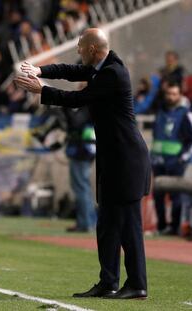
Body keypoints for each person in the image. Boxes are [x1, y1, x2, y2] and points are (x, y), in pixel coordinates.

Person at [15, 28, 150, 299]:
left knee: (128, 225)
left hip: (127, 158)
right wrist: (40, 71)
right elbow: (70, 70)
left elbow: (78, 100)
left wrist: (42, 91)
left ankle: (137, 284)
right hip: (113, 157)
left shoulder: (113, 73)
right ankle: (108, 281)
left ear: (92, 49)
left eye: (80, 47)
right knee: (107, 224)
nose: (77, 51)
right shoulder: (99, 66)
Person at [151, 81, 192, 235]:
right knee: (158, 195)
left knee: (176, 196)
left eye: (174, 94)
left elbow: (190, 139)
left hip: (176, 161)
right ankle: (162, 226)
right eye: (169, 93)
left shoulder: (186, 113)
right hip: (158, 160)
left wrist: (183, 158)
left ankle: (174, 228)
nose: (171, 97)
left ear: (180, 95)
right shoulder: (160, 110)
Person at [64, 104, 97, 233]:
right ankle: (85, 221)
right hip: (84, 149)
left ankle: (86, 223)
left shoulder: (87, 106)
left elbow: (76, 122)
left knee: (81, 187)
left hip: (82, 150)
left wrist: (65, 107)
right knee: (83, 186)